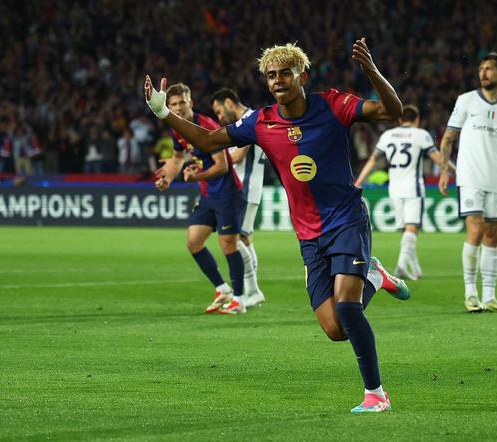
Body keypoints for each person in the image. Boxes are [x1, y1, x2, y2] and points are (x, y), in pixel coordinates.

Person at [145, 39, 410, 413]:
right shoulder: (261, 121)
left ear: (303, 76)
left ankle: (376, 394)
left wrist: (371, 71)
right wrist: (162, 112)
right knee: (334, 329)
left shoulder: (333, 105)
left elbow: (393, 111)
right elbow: (206, 139)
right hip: (308, 234)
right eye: (271, 75)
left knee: (349, 311)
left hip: (346, 220)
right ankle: (375, 277)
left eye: (286, 73)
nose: (278, 80)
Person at [438, 52, 497, 314]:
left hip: (496, 180)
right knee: (476, 230)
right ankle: (470, 294)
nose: (483, 73)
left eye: (489, 69)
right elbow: (448, 137)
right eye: (481, 69)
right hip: (469, 177)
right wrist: (444, 170)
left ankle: (489, 297)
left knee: (493, 235)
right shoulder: (466, 100)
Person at [155, 82, 247, 315]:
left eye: (182, 102)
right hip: (208, 195)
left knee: (228, 245)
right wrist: (168, 179)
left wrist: (196, 177)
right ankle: (222, 290)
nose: (178, 108)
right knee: (193, 241)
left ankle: (239, 299)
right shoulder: (177, 129)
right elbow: (177, 158)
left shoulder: (206, 126)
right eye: (173, 104)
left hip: (227, 194)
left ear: (191, 102)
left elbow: (222, 165)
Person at [355, 104, 449, 280]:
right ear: (417, 120)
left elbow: (373, 160)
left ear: (400, 119)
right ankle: (401, 267)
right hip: (413, 188)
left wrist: (359, 181)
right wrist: (451, 169)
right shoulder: (421, 135)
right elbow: (438, 159)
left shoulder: (388, 135)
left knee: (407, 230)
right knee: (412, 229)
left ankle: (416, 269)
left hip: (394, 189)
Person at [211, 88, 266, 308]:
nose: (219, 117)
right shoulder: (249, 119)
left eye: (219, 111)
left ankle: (252, 290)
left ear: (228, 102)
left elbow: (239, 155)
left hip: (246, 188)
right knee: (244, 238)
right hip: (249, 188)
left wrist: (212, 162)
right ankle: (252, 290)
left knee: (235, 240)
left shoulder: (248, 119)